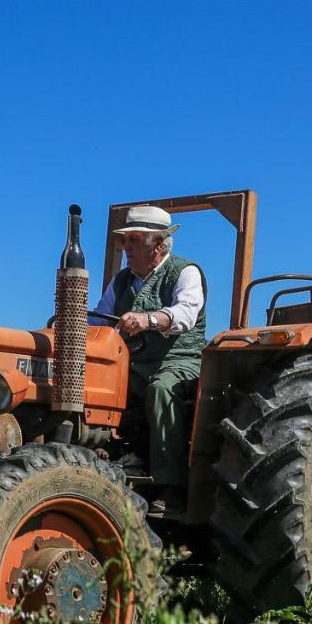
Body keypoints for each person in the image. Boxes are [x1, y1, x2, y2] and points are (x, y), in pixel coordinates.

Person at [90, 205, 206, 515]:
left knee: (161, 389)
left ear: (159, 243)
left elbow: (186, 314)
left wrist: (150, 320)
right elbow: (98, 321)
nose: (125, 246)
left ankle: (172, 485)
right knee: (94, 385)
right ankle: (97, 459)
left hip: (180, 362)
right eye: (125, 239)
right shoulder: (122, 281)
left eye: (133, 239)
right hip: (133, 365)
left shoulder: (185, 272)